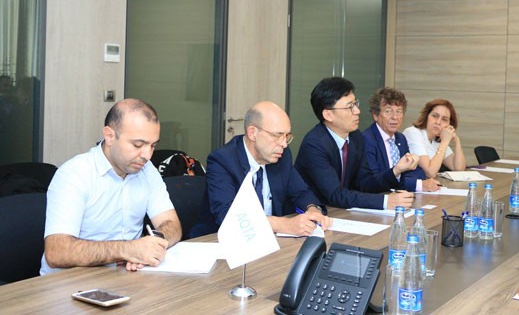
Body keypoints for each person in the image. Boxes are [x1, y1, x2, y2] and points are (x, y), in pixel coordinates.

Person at [41, 99, 182, 275]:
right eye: (138, 145)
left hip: (125, 277)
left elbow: (172, 225)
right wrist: (128, 250)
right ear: (109, 136)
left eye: (153, 145)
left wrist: (152, 245)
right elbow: (57, 252)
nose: (147, 155)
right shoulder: (74, 174)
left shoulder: (147, 170)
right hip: (71, 282)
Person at [202, 101, 332, 236]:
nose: (284, 144)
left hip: (271, 240)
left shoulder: (281, 156)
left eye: (286, 136)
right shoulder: (223, 160)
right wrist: (284, 224)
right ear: (253, 133)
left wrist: (313, 210)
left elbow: (301, 193)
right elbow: (227, 215)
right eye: (277, 135)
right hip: (226, 239)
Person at [295, 77, 416, 210]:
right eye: (350, 107)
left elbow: (364, 183)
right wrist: (385, 201)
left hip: (341, 211)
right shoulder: (314, 145)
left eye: (355, 104)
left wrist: (395, 171)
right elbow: (335, 195)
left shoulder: (355, 137)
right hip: (314, 213)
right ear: (328, 115)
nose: (357, 111)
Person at [363, 87, 439, 192]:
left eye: (399, 111)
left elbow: (417, 172)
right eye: (388, 111)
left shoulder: (400, 138)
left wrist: (410, 180)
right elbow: (373, 181)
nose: (395, 117)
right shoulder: (367, 139)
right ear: (375, 115)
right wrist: (417, 185)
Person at [403, 98, 466, 179]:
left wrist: (457, 141)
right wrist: (444, 142)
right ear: (426, 116)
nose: (438, 122)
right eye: (435, 116)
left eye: (444, 119)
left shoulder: (437, 140)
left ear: (449, 124)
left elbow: (459, 169)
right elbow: (430, 173)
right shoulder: (413, 133)